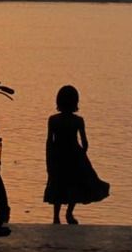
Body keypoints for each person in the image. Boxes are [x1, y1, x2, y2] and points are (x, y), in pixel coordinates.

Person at [43, 84, 110, 224]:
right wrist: (82, 155)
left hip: (59, 155)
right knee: (73, 185)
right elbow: (85, 142)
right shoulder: (78, 121)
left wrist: (49, 158)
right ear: (75, 102)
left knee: (58, 183)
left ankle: (56, 216)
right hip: (75, 155)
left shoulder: (53, 120)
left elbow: (49, 141)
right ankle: (69, 214)